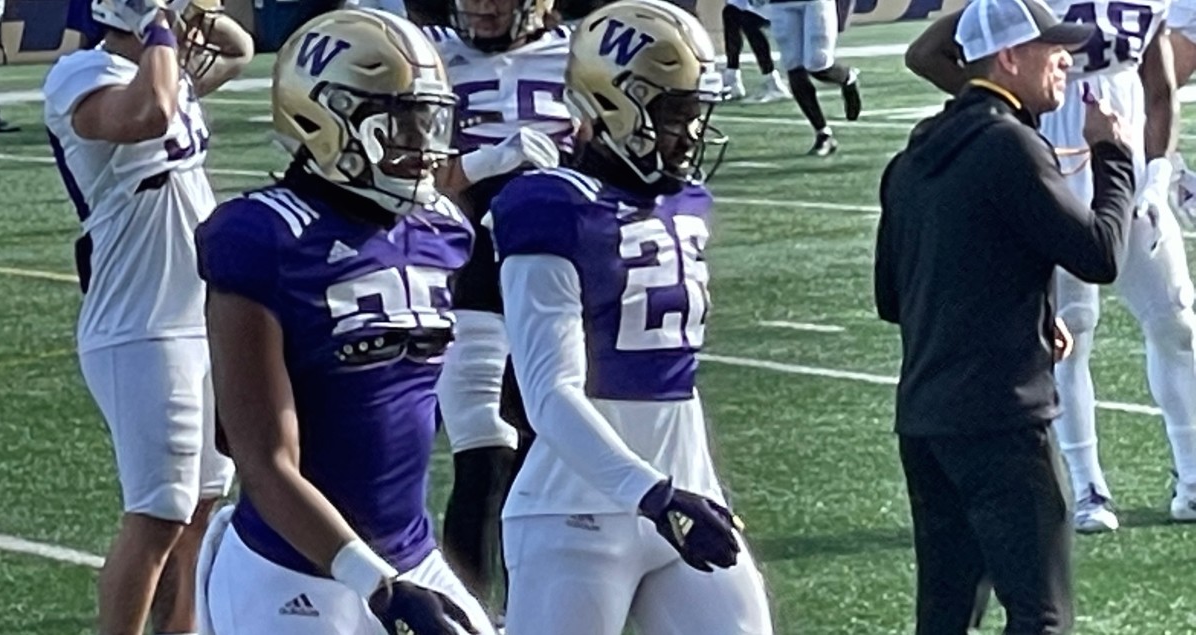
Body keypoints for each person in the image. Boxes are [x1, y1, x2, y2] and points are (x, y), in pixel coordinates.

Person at [193, 9, 494, 635]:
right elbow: (263, 458)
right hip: (292, 572)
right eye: (401, 125)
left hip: (410, 555)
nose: (422, 146)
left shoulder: (441, 230)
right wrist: (378, 588)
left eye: (428, 122)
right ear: (324, 120)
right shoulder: (263, 238)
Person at [489, 1, 773, 632]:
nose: (691, 133)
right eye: (675, 113)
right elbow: (547, 393)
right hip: (574, 513)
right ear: (613, 103)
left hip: (687, 494)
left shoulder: (687, 203)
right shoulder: (551, 207)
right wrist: (653, 494)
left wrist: (677, 492)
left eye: (696, 112)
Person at [876, 0, 1138, 630]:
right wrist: (1114, 157)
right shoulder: (1012, 146)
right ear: (1009, 58)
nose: (1065, 62)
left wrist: (1021, 309)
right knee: (1040, 614)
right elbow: (1101, 254)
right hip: (1001, 420)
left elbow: (894, 298)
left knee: (944, 615)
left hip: (926, 420)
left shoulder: (912, 157)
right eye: (1051, 49)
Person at [907, 0, 1196, 534]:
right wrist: (1008, 114)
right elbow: (925, 52)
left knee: (1176, 321)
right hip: (1051, 158)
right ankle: (1087, 485)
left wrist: (1157, 173)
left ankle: (1192, 478)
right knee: (1070, 331)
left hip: (1124, 155)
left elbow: (1160, 86)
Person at [41, 0, 248, 632]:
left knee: (203, 508)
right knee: (159, 511)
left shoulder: (168, 70)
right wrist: (155, 23)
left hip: (199, 316)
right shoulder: (81, 72)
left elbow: (239, 48)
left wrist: (184, 18)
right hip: (140, 323)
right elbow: (148, 113)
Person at [424, 0, 571, 613]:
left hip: (558, 273)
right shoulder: (428, 54)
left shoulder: (581, 53)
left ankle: (531, 609)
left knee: (547, 450)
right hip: (467, 271)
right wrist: (492, 160)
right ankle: (468, 612)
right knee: (482, 451)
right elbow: (405, 170)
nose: (480, 9)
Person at [768, 0, 862, 155]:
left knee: (818, 64)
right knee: (793, 66)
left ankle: (847, 78)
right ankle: (822, 133)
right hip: (779, 3)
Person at [721, 0, 791, 102]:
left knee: (748, 21)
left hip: (781, 7)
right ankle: (732, 77)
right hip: (758, 6)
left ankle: (773, 82)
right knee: (730, 13)